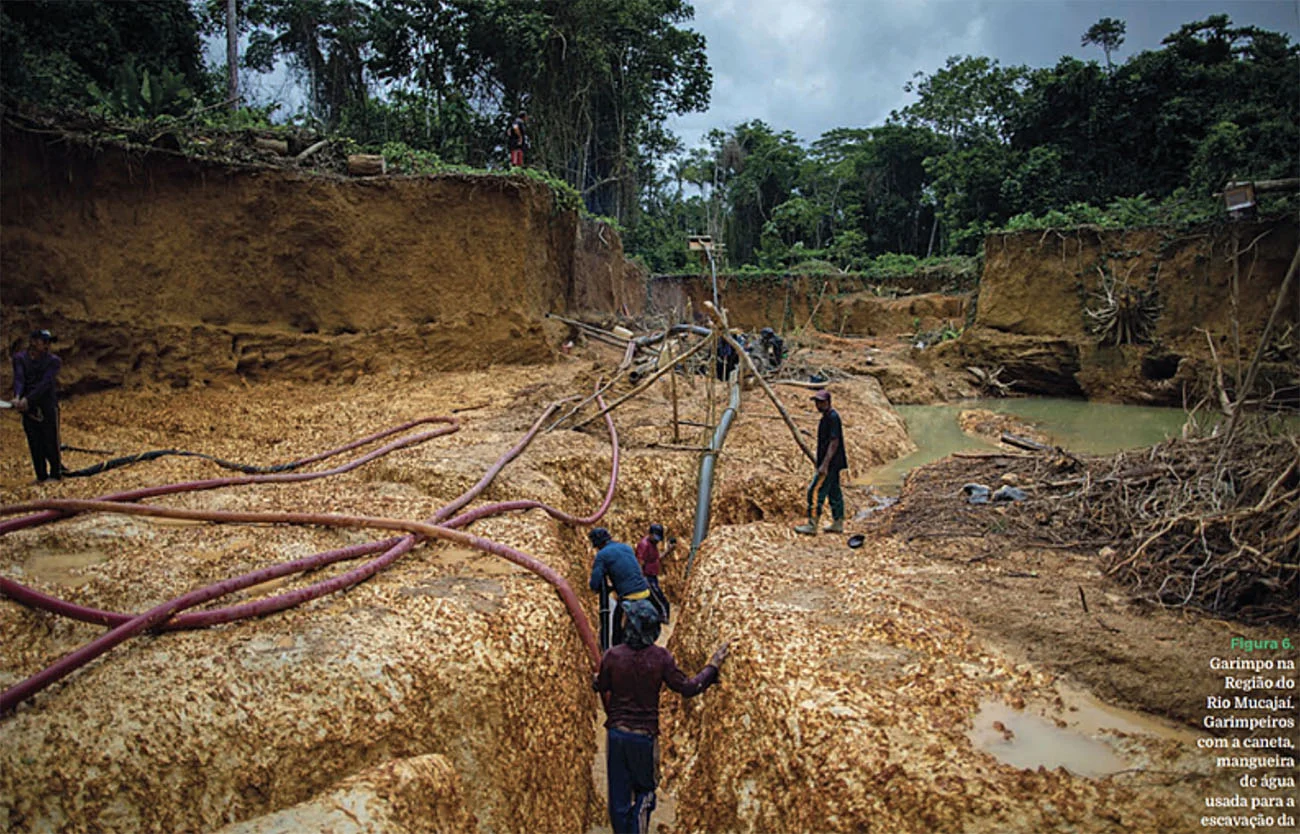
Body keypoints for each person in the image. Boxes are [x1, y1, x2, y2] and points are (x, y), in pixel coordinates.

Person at [593, 599, 728, 834]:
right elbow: (688, 688)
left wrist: (596, 677)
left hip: (616, 734)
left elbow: (601, 685)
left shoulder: (613, 656)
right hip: (643, 738)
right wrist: (712, 667)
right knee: (645, 792)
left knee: (619, 796)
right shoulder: (660, 658)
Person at [12, 328, 63, 483]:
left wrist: (28, 399)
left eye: (49, 342)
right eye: (44, 342)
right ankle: (41, 475)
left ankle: (55, 473)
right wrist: (18, 396)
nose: (47, 346)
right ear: (33, 342)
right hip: (28, 407)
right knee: (34, 441)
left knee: (50, 439)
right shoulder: (20, 359)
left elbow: (45, 384)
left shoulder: (54, 361)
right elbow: (19, 378)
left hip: (46, 404)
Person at [588, 527, 651, 651]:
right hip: (645, 594)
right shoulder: (626, 547)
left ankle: (616, 655)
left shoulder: (602, 555)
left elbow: (594, 583)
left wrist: (598, 587)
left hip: (629, 598)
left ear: (598, 544)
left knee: (617, 631)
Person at [794, 389, 848, 535]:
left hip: (830, 463)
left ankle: (812, 525)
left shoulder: (832, 417)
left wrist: (824, 464)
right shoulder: (827, 417)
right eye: (817, 402)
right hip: (833, 463)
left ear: (828, 402)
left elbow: (834, 442)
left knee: (815, 491)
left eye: (821, 402)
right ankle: (838, 523)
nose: (818, 405)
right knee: (834, 491)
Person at [635, 523, 674, 624]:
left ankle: (657, 617)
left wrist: (668, 550)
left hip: (652, 576)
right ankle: (663, 616)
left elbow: (656, 559)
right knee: (659, 599)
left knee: (655, 598)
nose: (657, 540)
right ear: (650, 534)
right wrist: (641, 578)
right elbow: (640, 562)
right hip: (647, 576)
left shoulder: (653, 545)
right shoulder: (644, 545)